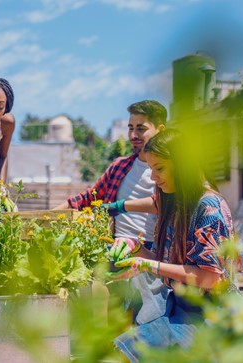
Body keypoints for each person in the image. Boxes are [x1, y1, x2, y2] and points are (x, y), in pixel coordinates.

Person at [107, 128, 237, 361]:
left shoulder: (209, 208)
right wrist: (135, 247)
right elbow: (164, 262)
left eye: (160, 169)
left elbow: (209, 278)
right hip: (180, 308)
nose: (153, 178)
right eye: (151, 170)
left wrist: (147, 265)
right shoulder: (175, 204)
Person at [54, 100, 169, 326]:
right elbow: (89, 197)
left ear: (160, 130)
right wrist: (48, 215)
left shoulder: (167, 169)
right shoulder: (120, 166)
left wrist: (121, 206)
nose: (134, 134)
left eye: (141, 128)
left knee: (140, 318)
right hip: (114, 246)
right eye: (130, 128)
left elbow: (170, 203)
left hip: (149, 250)